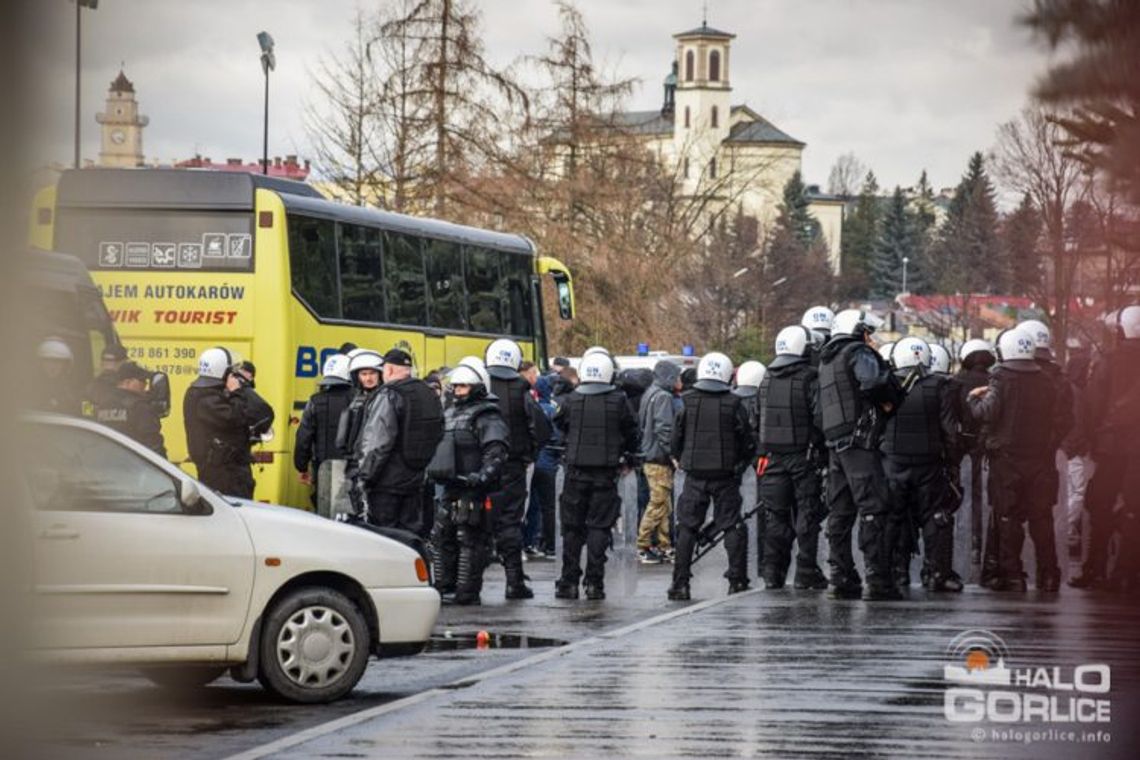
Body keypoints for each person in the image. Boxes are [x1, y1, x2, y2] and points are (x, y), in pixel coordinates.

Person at [968, 327, 1072, 592]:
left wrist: (972, 401)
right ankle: (1049, 575)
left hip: (1007, 459)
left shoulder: (1002, 378)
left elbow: (987, 413)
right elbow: (1063, 421)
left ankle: (1013, 575)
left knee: (1008, 518)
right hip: (1040, 459)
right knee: (1041, 518)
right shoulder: (1050, 380)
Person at [817, 309, 904, 600]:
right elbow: (874, 382)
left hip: (836, 444)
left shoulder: (826, 361)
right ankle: (878, 580)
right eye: (867, 332)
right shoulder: (857, 353)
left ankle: (841, 577)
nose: (871, 338)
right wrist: (889, 402)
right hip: (860, 441)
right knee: (873, 508)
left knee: (840, 511)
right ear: (856, 331)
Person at [668, 352, 755, 601]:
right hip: (725, 475)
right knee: (732, 525)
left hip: (694, 474)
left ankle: (680, 583)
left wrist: (681, 459)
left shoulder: (686, 401)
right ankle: (737, 580)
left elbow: (676, 438)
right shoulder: (733, 402)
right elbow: (747, 441)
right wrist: (738, 466)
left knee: (687, 527)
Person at [554, 350, 639, 601]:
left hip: (575, 472)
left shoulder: (571, 399)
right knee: (599, 528)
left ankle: (568, 582)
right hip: (605, 473)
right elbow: (632, 432)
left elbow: (558, 423)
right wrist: (630, 458)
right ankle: (594, 583)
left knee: (572, 529)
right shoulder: (619, 400)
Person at [881, 338, 962, 593]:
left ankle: (894, 573)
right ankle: (937, 573)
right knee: (935, 518)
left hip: (893, 463)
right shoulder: (942, 386)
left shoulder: (885, 385)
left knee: (893, 518)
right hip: (929, 464)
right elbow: (950, 431)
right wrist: (952, 463)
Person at [427, 358, 510, 605]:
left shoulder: (487, 415)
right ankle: (443, 586)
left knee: (468, 540)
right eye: (456, 386)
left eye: (463, 387)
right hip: (449, 485)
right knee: (440, 537)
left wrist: (482, 477)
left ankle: (466, 591)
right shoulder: (449, 412)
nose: (458, 391)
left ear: (477, 387)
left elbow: (496, 452)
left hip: (473, 489)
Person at [1070, 305, 1140, 591]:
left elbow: (1091, 405)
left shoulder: (1108, 361)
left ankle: (1095, 568)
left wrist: (1088, 440)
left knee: (1099, 508)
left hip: (1111, 448)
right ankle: (1128, 571)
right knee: (1135, 510)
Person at [756, 326, 827, 590]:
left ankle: (773, 572)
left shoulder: (766, 379)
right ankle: (806, 570)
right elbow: (819, 417)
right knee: (807, 515)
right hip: (803, 457)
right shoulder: (810, 378)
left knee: (776, 516)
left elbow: (756, 417)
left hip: (773, 458)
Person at [485, 338, 549, 599]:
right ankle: (514, 582)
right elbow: (541, 428)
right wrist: (528, 455)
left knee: (472, 525)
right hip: (512, 466)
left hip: (479, 467)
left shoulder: (476, 387)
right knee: (510, 522)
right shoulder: (522, 391)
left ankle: (467, 585)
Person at [356, 348, 443, 536]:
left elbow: (378, 443)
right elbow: (438, 433)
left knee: (385, 538)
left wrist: (364, 477)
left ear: (387, 370)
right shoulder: (428, 393)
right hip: (416, 480)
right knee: (410, 537)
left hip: (387, 483)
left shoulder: (389, 394)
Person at [183, 347, 274, 499]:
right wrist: (237, 392)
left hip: (228, 470)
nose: (234, 376)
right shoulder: (206, 399)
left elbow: (260, 414)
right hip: (224, 474)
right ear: (221, 372)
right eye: (231, 372)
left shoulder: (206, 393)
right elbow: (236, 417)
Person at [951, 339, 996, 570]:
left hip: (961, 445)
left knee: (960, 493)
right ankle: (981, 543)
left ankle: (961, 541)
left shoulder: (956, 382)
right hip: (988, 447)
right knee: (984, 496)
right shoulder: (995, 381)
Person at [294, 353, 354, 517]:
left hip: (324, 467)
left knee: (325, 514)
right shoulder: (361, 399)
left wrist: (301, 466)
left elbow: (303, 437)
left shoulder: (315, 401)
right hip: (354, 469)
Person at [636, 359, 682, 563]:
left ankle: (665, 545)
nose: (680, 380)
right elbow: (664, 429)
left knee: (664, 504)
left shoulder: (650, 393)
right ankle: (642, 544)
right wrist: (673, 454)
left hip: (649, 455)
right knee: (658, 502)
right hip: (658, 457)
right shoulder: (663, 397)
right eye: (677, 376)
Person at [337, 349, 385, 515]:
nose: (368, 378)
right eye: (364, 374)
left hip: (372, 462)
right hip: (353, 461)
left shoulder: (384, 398)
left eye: (372, 373)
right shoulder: (355, 398)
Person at [733, 360, 767, 575]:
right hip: (762, 462)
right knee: (764, 513)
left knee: (733, 516)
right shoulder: (764, 400)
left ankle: (738, 567)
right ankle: (763, 564)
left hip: (735, 464)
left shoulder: (730, 400)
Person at [92, 360, 167, 457]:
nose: (145, 385)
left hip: (106, 463)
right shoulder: (140, 407)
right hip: (134, 464)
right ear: (127, 382)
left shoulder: (103, 404)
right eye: (142, 381)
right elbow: (153, 445)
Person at [33, 337, 81, 415]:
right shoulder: (30, 388)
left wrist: (93, 410)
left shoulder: (73, 390)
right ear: (40, 364)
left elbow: (87, 410)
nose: (53, 366)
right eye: (48, 361)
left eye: (58, 362)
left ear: (66, 365)